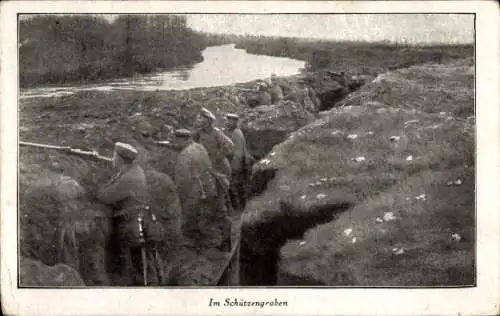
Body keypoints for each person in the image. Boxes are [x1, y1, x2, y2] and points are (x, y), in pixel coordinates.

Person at [96, 142, 162, 286]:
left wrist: (98, 183)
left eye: (114, 156)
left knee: (136, 267)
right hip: (138, 222)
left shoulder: (130, 177)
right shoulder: (132, 171)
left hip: (133, 226)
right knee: (140, 264)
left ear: (120, 159)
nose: (112, 159)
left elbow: (105, 196)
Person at [173, 129, 231, 252]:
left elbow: (183, 180)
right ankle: (225, 241)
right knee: (218, 214)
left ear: (181, 139)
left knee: (193, 216)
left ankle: (198, 244)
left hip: (197, 190)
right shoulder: (199, 147)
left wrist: (180, 195)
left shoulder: (184, 155)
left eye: (177, 140)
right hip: (211, 185)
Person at [224, 113, 251, 211]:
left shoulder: (237, 133)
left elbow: (239, 153)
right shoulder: (231, 131)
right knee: (236, 186)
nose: (227, 122)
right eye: (227, 120)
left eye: (230, 121)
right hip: (234, 164)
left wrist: (232, 165)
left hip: (236, 165)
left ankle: (239, 208)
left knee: (234, 186)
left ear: (235, 122)